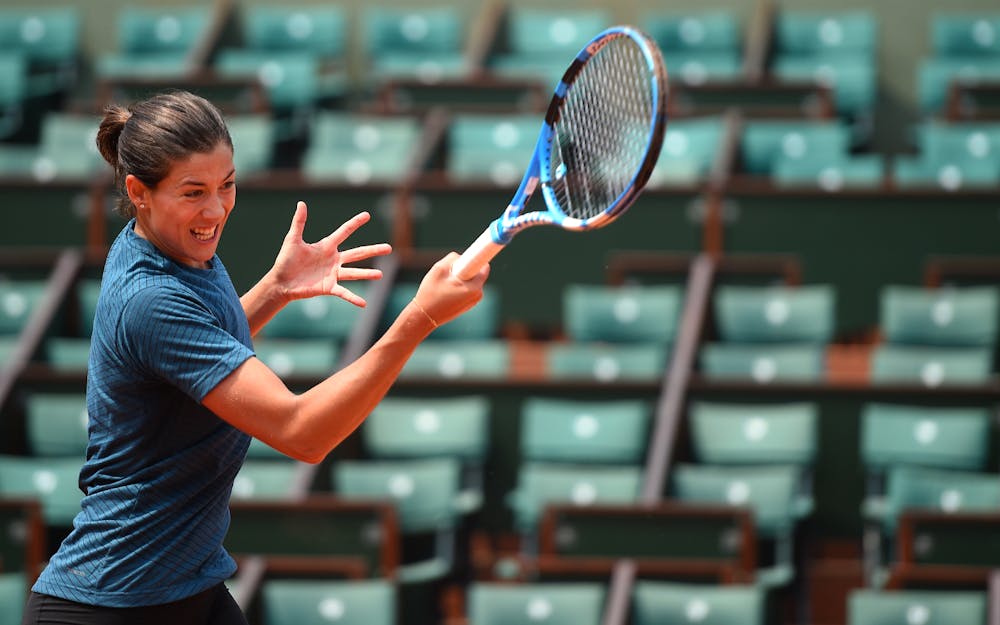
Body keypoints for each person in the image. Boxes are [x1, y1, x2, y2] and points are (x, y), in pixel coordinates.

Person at [21, 90, 488, 625]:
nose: (216, 210)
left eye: (227, 185)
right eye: (193, 192)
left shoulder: (166, 247)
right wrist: (418, 320)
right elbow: (302, 432)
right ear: (138, 191)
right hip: (105, 608)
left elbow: (196, 351)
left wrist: (276, 289)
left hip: (187, 591)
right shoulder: (148, 297)